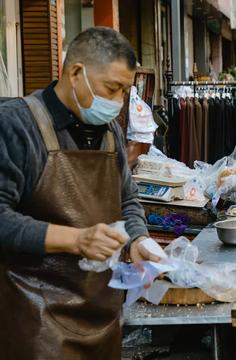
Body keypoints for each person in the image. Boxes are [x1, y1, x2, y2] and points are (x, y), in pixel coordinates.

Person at [0, 27, 162, 359]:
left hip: (101, 314)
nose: (117, 103)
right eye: (112, 88)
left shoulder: (109, 132)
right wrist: (76, 240)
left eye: (124, 92)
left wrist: (138, 240)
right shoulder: (17, 124)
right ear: (76, 73)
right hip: (34, 321)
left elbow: (127, 198)